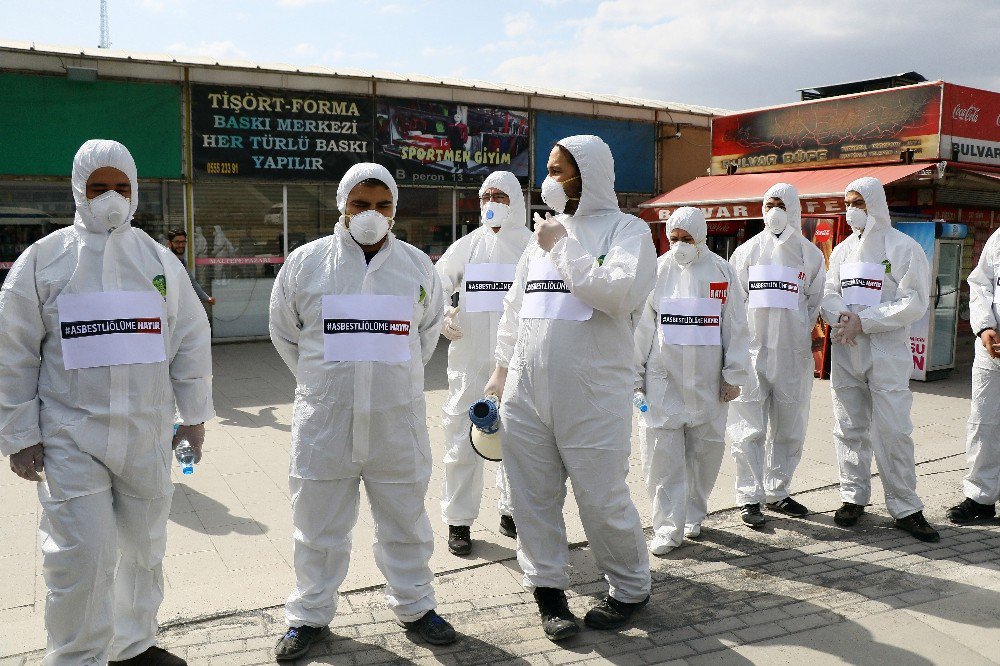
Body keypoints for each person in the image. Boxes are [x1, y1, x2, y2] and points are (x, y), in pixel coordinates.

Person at [0, 139, 214, 665]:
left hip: (147, 434)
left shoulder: (158, 260)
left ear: (135, 190)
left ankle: (133, 645)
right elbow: (14, 353)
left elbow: (190, 340)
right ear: (79, 190)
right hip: (72, 438)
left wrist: (194, 419)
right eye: (99, 188)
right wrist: (20, 434)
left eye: (121, 187)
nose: (111, 198)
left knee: (144, 549)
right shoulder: (44, 262)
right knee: (83, 557)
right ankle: (76, 657)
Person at [268, 163, 455, 660]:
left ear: (395, 210)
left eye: (382, 205)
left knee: (406, 521)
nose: (371, 214)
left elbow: (427, 335)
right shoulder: (307, 264)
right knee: (316, 525)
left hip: (397, 422)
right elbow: (286, 335)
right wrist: (326, 384)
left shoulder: (417, 267)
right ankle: (309, 616)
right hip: (325, 424)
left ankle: (416, 606)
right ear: (341, 206)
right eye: (360, 204)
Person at [484, 135, 654, 640]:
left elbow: (618, 294)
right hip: (526, 392)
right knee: (532, 498)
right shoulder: (541, 237)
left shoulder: (628, 230)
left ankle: (629, 587)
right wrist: (499, 372)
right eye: (549, 170)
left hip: (594, 393)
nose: (549, 181)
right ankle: (549, 593)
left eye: (560, 171)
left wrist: (562, 248)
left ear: (590, 175)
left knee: (602, 497)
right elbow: (516, 310)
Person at [823, 176, 939, 542]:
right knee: (849, 426)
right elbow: (828, 292)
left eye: (858, 202)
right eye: (848, 203)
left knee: (893, 430)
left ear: (875, 203)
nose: (852, 210)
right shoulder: (841, 252)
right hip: (846, 350)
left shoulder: (903, 248)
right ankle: (853, 497)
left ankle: (906, 506)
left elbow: (914, 301)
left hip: (886, 353)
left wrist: (866, 321)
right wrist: (840, 315)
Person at [634, 207, 750, 555]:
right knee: (661, 456)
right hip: (662, 379)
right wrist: (635, 376)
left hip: (707, 381)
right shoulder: (656, 270)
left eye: (687, 240)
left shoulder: (721, 271)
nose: (680, 246)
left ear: (701, 237)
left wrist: (733, 375)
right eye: (674, 239)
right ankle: (667, 527)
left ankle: (693, 513)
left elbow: (735, 326)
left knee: (706, 452)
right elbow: (640, 328)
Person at [435, 170, 532, 556]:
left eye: (500, 196)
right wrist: (443, 312)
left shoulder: (531, 246)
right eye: (486, 196)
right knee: (461, 440)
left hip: (518, 362)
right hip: (469, 360)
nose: (491, 203)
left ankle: (512, 512)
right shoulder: (467, 246)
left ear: (516, 202)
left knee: (520, 441)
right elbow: (437, 279)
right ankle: (459, 521)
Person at [727, 184, 826, 527]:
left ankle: (777, 491)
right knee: (747, 428)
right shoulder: (745, 253)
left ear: (795, 208)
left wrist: (802, 334)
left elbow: (815, 302)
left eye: (781, 204)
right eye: (769, 204)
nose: (774, 210)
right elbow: (733, 304)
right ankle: (749, 498)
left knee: (789, 427)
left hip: (792, 355)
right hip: (751, 354)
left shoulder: (810, 255)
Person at [947, 225, 1000, 524]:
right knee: (984, 423)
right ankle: (981, 497)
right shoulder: (999, 237)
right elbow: (980, 283)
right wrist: (984, 328)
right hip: (991, 349)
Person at [167, 228, 216, 305]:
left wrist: (206, 298)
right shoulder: (163, 260)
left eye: (183, 242)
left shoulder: (182, 262)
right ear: (169, 243)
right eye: (177, 242)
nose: (181, 245)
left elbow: (191, 282)